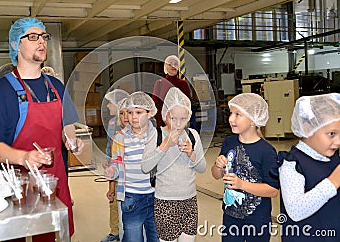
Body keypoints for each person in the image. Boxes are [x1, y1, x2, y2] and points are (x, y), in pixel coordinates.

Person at [0, 17, 84, 240]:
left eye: (44, 37)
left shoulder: (56, 86)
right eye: (33, 37)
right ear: (16, 45)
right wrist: (24, 156)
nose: (42, 42)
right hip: (17, 185)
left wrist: (71, 139)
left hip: (54, 181)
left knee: (53, 235)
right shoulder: (1, 92)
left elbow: (67, 124)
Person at [211, 93, 279, 242]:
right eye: (231, 113)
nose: (230, 119)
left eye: (238, 114)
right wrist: (218, 165)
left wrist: (242, 184)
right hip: (231, 217)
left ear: (253, 120)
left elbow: (273, 190)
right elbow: (216, 174)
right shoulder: (229, 143)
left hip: (257, 220)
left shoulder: (266, 151)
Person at [142, 87, 206, 242]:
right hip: (165, 201)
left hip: (189, 200)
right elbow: (145, 167)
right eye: (173, 118)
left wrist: (191, 154)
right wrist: (165, 145)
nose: (178, 123)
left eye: (183, 119)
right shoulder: (156, 134)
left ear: (189, 117)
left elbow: (202, 168)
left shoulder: (193, 135)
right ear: (165, 115)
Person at [278, 93, 340, 241]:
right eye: (331, 134)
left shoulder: (333, 158)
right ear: (307, 129)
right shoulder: (293, 164)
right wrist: (333, 182)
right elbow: (295, 210)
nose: (338, 142)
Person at [104, 91, 159, 242]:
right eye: (130, 112)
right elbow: (116, 163)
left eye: (139, 112)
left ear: (150, 113)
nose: (133, 117)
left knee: (155, 237)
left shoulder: (157, 136)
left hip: (155, 196)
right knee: (132, 238)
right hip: (131, 199)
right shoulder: (120, 138)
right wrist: (112, 172)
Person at [102, 89, 129, 242]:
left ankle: (127, 230)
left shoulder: (131, 124)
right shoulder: (112, 123)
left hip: (128, 170)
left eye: (110, 103)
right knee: (112, 198)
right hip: (115, 167)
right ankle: (115, 231)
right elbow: (110, 144)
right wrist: (107, 157)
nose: (107, 106)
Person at [151, 55, 191, 128]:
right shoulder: (160, 83)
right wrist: (161, 122)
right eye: (170, 64)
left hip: (179, 122)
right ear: (165, 67)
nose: (173, 66)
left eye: (175, 64)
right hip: (163, 123)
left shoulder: (183, 84)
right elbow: (155, 104)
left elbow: (187, 103)